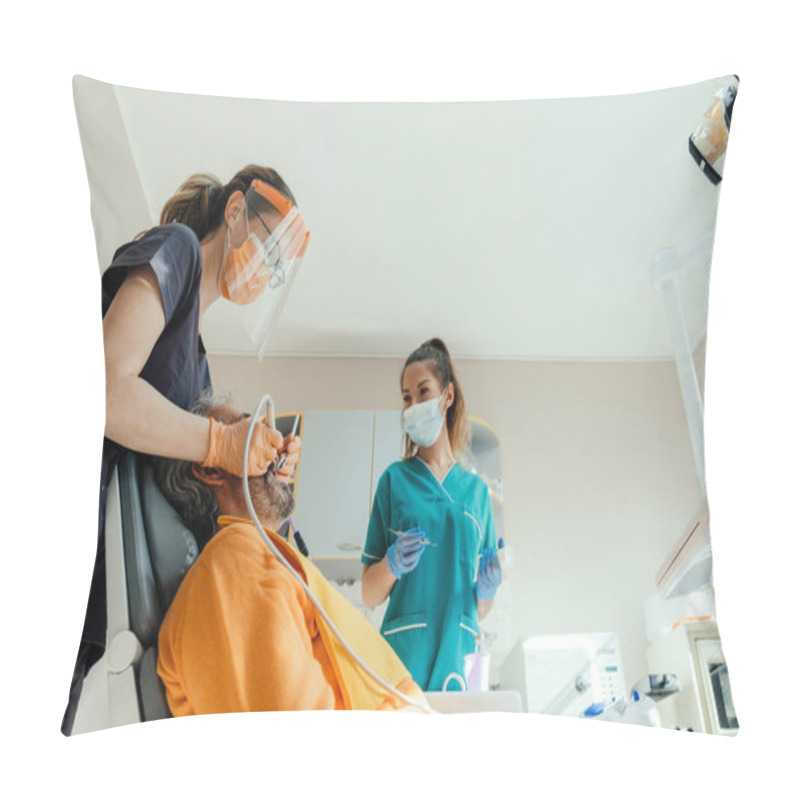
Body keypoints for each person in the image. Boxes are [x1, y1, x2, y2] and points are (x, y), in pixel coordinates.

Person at [63, 166, 307, 734]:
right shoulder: (177, 252)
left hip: (102, 595)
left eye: (277, 270)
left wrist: (261, 470)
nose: (267, 274)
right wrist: (223, 441)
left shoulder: (197, 361)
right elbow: (100, 390)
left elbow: (185, 468)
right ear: (235, 211)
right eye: (269, 251)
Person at [153, 397, 426, 714]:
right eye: (253, 429)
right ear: (211, 467)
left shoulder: (258, 556)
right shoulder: (232, 563)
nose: (276, 443)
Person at [361, 338, 503, 692]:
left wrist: (487, 588)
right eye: (407, 397)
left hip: (460, 657)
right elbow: (368, 594)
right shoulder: (394, 481)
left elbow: (481, 608)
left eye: (423, 392)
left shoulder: (477, 493)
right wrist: (391, 565)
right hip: (404, 659)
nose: (413, 405)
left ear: (447, 396)